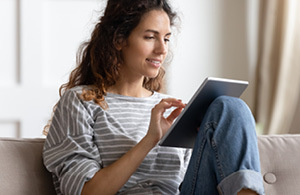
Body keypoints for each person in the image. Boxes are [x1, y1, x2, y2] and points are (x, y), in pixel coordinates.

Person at [43, 0, 265, 194]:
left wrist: (204, 144)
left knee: (230, 106)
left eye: (166, 39)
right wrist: (151, 139)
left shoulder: (169, 108)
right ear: (119, 40)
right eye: (150, 37)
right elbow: (86, 191)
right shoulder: (81, 101)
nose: (162, 49)